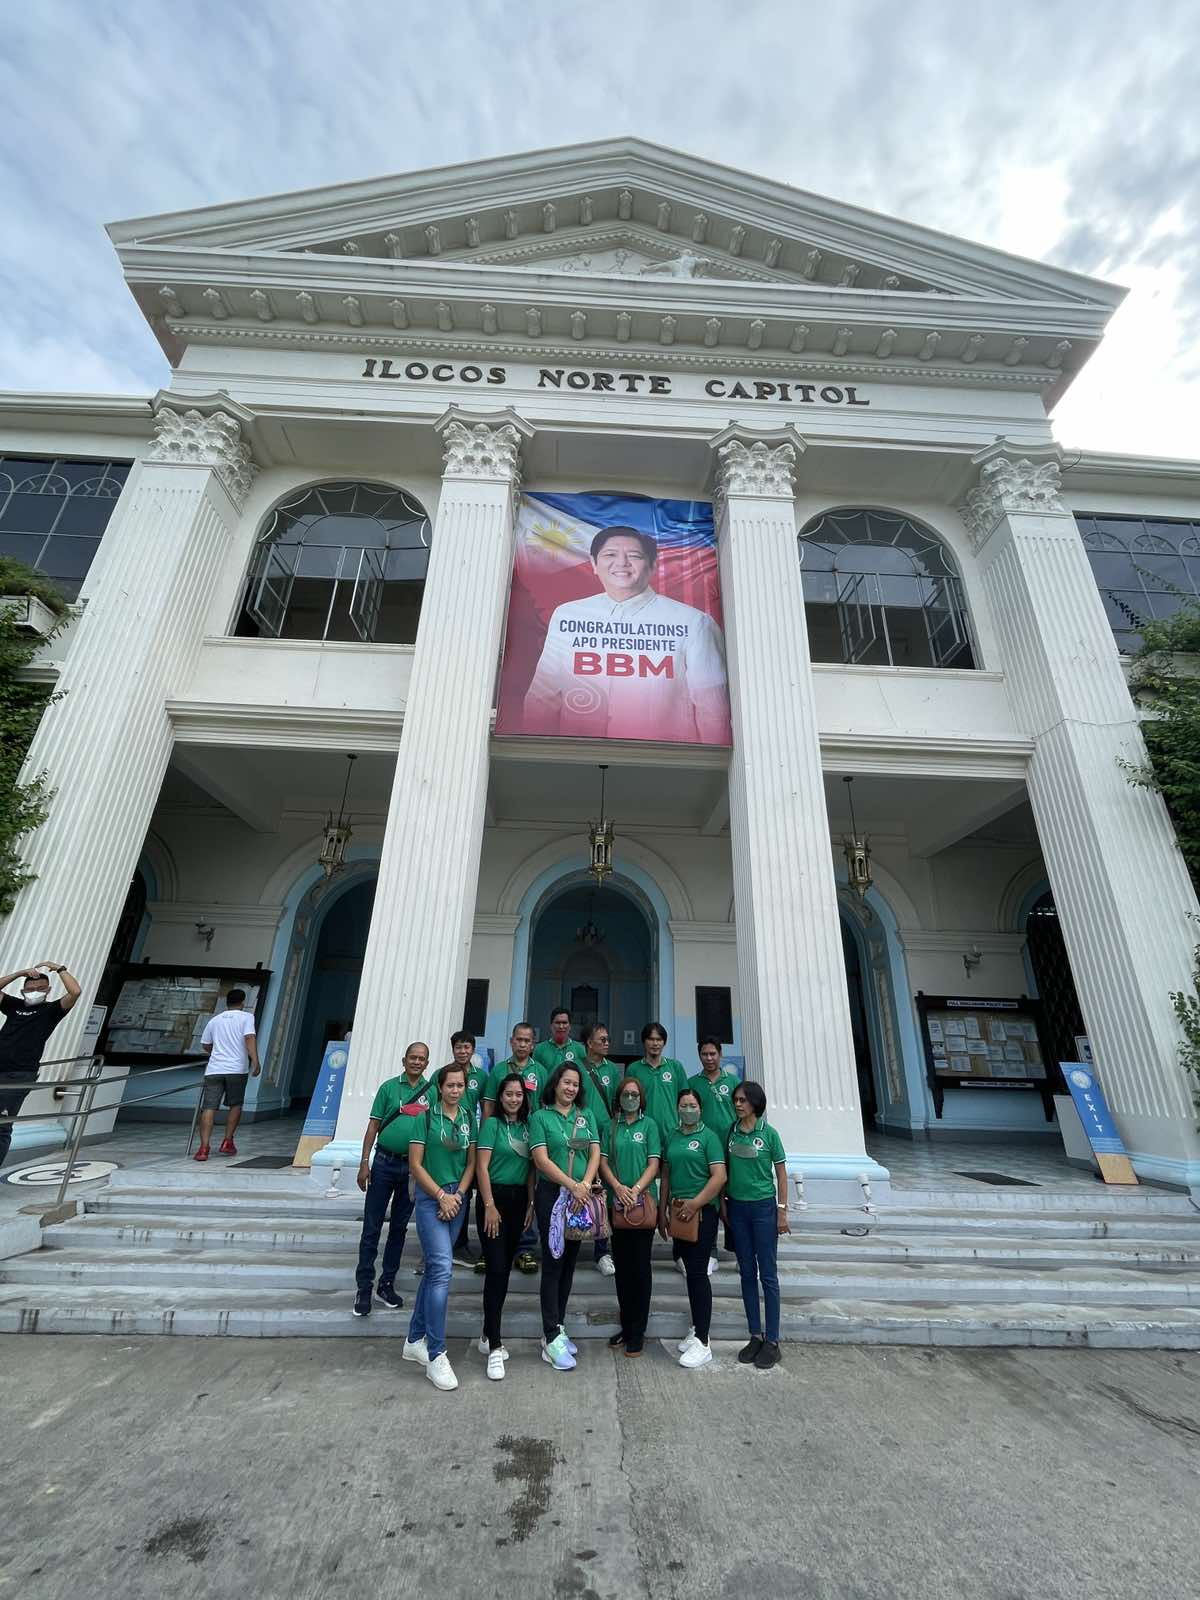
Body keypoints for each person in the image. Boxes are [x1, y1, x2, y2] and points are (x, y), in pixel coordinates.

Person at [522, 526, 732, 744]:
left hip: (664, 757)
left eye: (634, 556)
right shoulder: (568, 614)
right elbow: (542, 695)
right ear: (594, 564)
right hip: (578, 751)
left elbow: (713, 706)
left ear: (652, 565)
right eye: (610, 555)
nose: (621, 563)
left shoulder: (693, 622)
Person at [402, 1062, 477, 1392]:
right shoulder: (425, 1118)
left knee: (436, 1269)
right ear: (440, 1087)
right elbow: (415, 1164)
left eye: (460, 1086)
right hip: (432, 1199)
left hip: (457, 1198)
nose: (456, 1090)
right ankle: (436, 1353)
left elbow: (472, 1161)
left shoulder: (468, 1118)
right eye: (450, 1086)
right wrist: (441, 1197)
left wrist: (458, 1194)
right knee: (443, 1269)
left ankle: (414, 1339)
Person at [529, 1063, 600, 1370]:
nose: (570, 1088)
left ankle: (558, 1327)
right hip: (553, 1196)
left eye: (575, 1084)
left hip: (580, 1198)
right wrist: (572, 1185)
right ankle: (549, 1335)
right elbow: (541, 1160)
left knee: (570, 1262)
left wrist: (584, 1185)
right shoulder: (540, 1117)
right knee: (553, 1262)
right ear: (555, 1084)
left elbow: (595, 1152)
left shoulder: (586, 1117)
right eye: (566, 1083)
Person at [353, 1040, 432, 1317]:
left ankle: (386, 1284)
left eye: (422, 1059)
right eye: (413, 1057)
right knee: (372, 1227)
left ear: (427, 1063)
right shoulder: (389, 1088)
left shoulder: (430, 1092)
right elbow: (373, 1126)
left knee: (399, 1228)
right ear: (404, 1060)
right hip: (384, 1164)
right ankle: (364, 1287)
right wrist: (364, 1163)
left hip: (412, 1169)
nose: (417, 1062)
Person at [659, 1085, 727, 1369]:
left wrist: (696, 1204)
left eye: (693, 1105)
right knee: (690, 1272)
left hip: (701, 1214)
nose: (688, 1110)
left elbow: (719, 1176)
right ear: (677, 1108)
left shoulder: (709, 1137)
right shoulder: (673, 1136)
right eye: (683, 1105)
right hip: (678, 1212)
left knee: (699, 1274)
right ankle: (697, 1327)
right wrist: (663, 1209)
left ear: (700, 1109)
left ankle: (704, 1341)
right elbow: (666, 1173)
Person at [723, 1079, 789, 1370]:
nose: (737, 1104)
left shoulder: (770, 1134)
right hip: (737, 1208)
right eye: (735, 1100)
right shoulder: (731, 1133)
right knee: (746, 1273)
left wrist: (782, 1211)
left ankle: (773, 1341)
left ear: (755, 1103)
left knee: (768, 1275)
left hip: (764, 1208)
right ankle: (755, 1334)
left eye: (742, 1100)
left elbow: (782, 1174)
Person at [475, 1071, 535, 1380]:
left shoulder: (528, 1127)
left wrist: (531, 1203)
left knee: (504, 1269)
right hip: (493, 1201)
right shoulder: (491, 1125)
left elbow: (530, 1170)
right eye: (509, 1094)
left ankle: (487, 1334)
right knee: (497, 1268)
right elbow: (481, 1167)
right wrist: (489, 1206)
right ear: (500, 1097)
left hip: (518, 1203)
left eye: (519, 1094)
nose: (514, 1099)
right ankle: (496, 1346)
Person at [598, 1075, 661, 1356]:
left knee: (640, 1269)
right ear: (619, 1097)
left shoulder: (649, 1126)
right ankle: (626, 1325)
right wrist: (618, 1187)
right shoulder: (611, 1126)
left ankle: (639, 1330)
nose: (631, 1098)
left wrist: (635, 1189)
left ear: (641, 1098)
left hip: (643, 1203)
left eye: (635, 1094)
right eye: (626, 1094)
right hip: (618, 1204)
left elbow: (654, 1163)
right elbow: (602, 1161)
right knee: (622, 1269)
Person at [0, 962, 80, 1168]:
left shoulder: (51, 1010)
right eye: (30, 989)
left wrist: (60, 969)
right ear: (23, 990)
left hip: (19, 1075)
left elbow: (75, 991)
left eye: (40, 989)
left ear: (48, 990)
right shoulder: (14, 1005)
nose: (35, 992)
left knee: (2, 1124)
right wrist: (19, 974)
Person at [482, 1020, 543, 1275]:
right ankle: (491, 1249)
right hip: (499, 1139)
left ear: (533, 1044)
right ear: (511, 1041)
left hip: (530, 1137)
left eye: (527, 1040)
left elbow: (544, 1108)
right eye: (518, 1039)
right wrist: (489, 1136)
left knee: (528, 1191)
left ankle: (525, 1247)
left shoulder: (540, 1071)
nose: (523, 1044)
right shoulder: (498, 1071)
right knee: (495, 1192)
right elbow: (487, 1106)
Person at [689, 1035, 743, 1259]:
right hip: (704, 1151)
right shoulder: (693, 1083)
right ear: (699, 1056)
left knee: (733, 1199)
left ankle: (739, 1250)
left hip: (731, 1149)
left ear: (720, 1055)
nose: (709, 1058)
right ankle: (710, 1251)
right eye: (704, 1054)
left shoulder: (732, 1082)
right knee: (710, 1200)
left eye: (713, 1054)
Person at [195, 987, 259, 1161]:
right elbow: (249, 1038)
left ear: (227, 1002)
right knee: (235, 1104)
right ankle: (227, 1141)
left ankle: (203, 1148)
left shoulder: (215, 1020)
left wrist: (218, 1051)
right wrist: (255, 1061)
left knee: (209, 1107)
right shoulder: (247, 1017)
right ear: (243, 1002)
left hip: (214, 1069)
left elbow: (206, 1045)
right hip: (236, 1069)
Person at [578, 1022, 618, 1277]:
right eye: (601, 1039)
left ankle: (602, 1251)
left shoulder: (613, 1070)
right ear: (588, 1043)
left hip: (605, 1139)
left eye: (607, 1039)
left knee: (602, 1195)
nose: (606, 1043)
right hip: (579, 1140)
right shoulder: (577, 1069)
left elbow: (617, 1104)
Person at [445, 1030, 487, 1265]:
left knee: (465, 1192)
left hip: (469, 1141)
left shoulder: (481, 1076)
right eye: (458, 1047)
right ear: (453, 1049)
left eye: (467, 1047)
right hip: (446, 1140)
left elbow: (486, 1108)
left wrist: (483, 1138)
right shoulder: (443, 1075)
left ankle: (459, 1243)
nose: (463, 1051)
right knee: (445, 1187)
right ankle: (440, 1244)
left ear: (473, 1049)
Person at [531, 1008, 582, 1077]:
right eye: (557, 1023)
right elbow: (534, 1076)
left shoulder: (580, 1049)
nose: (561, 1026)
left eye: (564, 1023)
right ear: (551, 1026)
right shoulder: (539, 1049)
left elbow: (583, 1076)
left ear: (570, 1026)